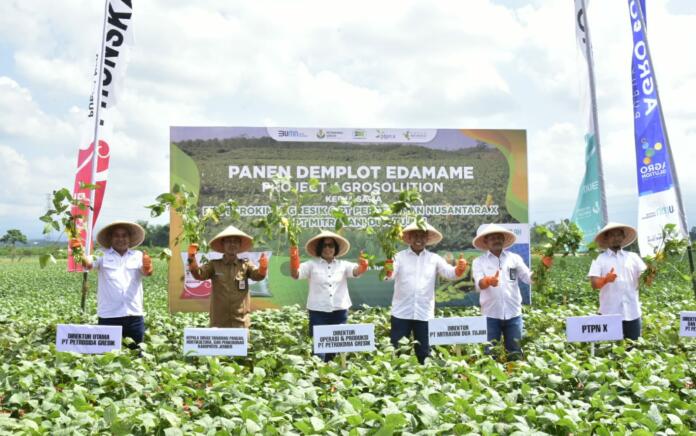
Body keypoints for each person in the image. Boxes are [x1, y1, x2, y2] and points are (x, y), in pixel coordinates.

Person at [384, 222, 468, 364]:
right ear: (409, 238)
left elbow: (449, 273)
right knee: (397, 351)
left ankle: (425, 379)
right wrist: (388, 269)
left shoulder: (434, 258)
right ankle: (396, 381)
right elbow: (388, 278)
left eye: (423, 236)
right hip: (401, 312)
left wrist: (459, 269)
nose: (419, 239)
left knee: (424, 352)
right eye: (416, 235)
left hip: (424, 313)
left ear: (427, 239)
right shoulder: (398, 257)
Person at [290, 230, 369, 362]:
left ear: (335, 248)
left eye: (331, 245)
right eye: (324, 245)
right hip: (318, 313)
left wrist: (363, 266)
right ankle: (318, 379)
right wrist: (294, 259)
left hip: (339, 312)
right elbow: (295, 274)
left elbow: (356, 271)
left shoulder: (343, 265)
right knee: (319, 352)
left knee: (336, 350)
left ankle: (335, 379)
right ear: (319, 248)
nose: (328, 248)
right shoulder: (311, 265)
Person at [75, 221, 153, 349]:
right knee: (107, 358)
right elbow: (87, 264)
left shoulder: (138, 256)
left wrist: (147, 265)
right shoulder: (101, 255)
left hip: (134, 315)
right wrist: (78, 250)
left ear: (130, 238)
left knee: (136, 355)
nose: (121, 239)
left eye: (124, 235)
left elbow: (147, 272)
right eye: (116, 235)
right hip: (109, 316)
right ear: (111, 238)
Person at [188, 225, 267, 328]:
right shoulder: (214, 265)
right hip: (219, 323)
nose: (232, 244)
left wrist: (263, 266)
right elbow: (198, 274)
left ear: (239, 245)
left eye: (235, 241)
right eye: (228, 241)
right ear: (223, 244)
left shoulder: (246, 265)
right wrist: (191, 257)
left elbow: (258, 276)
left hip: (240, 323)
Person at [472, 223, 532, 360]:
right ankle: (491, 380)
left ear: (504, 240)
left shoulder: (514, 258)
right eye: (492, 238)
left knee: (515, 353)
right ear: (486, 242)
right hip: (490, 315)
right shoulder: (479, 262)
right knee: (489, 354)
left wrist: (543, 269)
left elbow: (528, 278)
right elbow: (479, 284)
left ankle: (514, 378)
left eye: (499, 237)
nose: (496, 240)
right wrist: (488, 281)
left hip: (514, 314)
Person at [587, 222, 647, 340]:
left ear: (623, 237)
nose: (616, 238)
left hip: (632, 312)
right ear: (607, 238)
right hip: (609, 313)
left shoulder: (633, 257)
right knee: (609, 350)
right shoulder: (599, 259)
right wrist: (605, 279)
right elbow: (594, 284)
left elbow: (645, 281)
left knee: (633, 349)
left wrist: (651, 273)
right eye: (612, 235)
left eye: (619, 235)